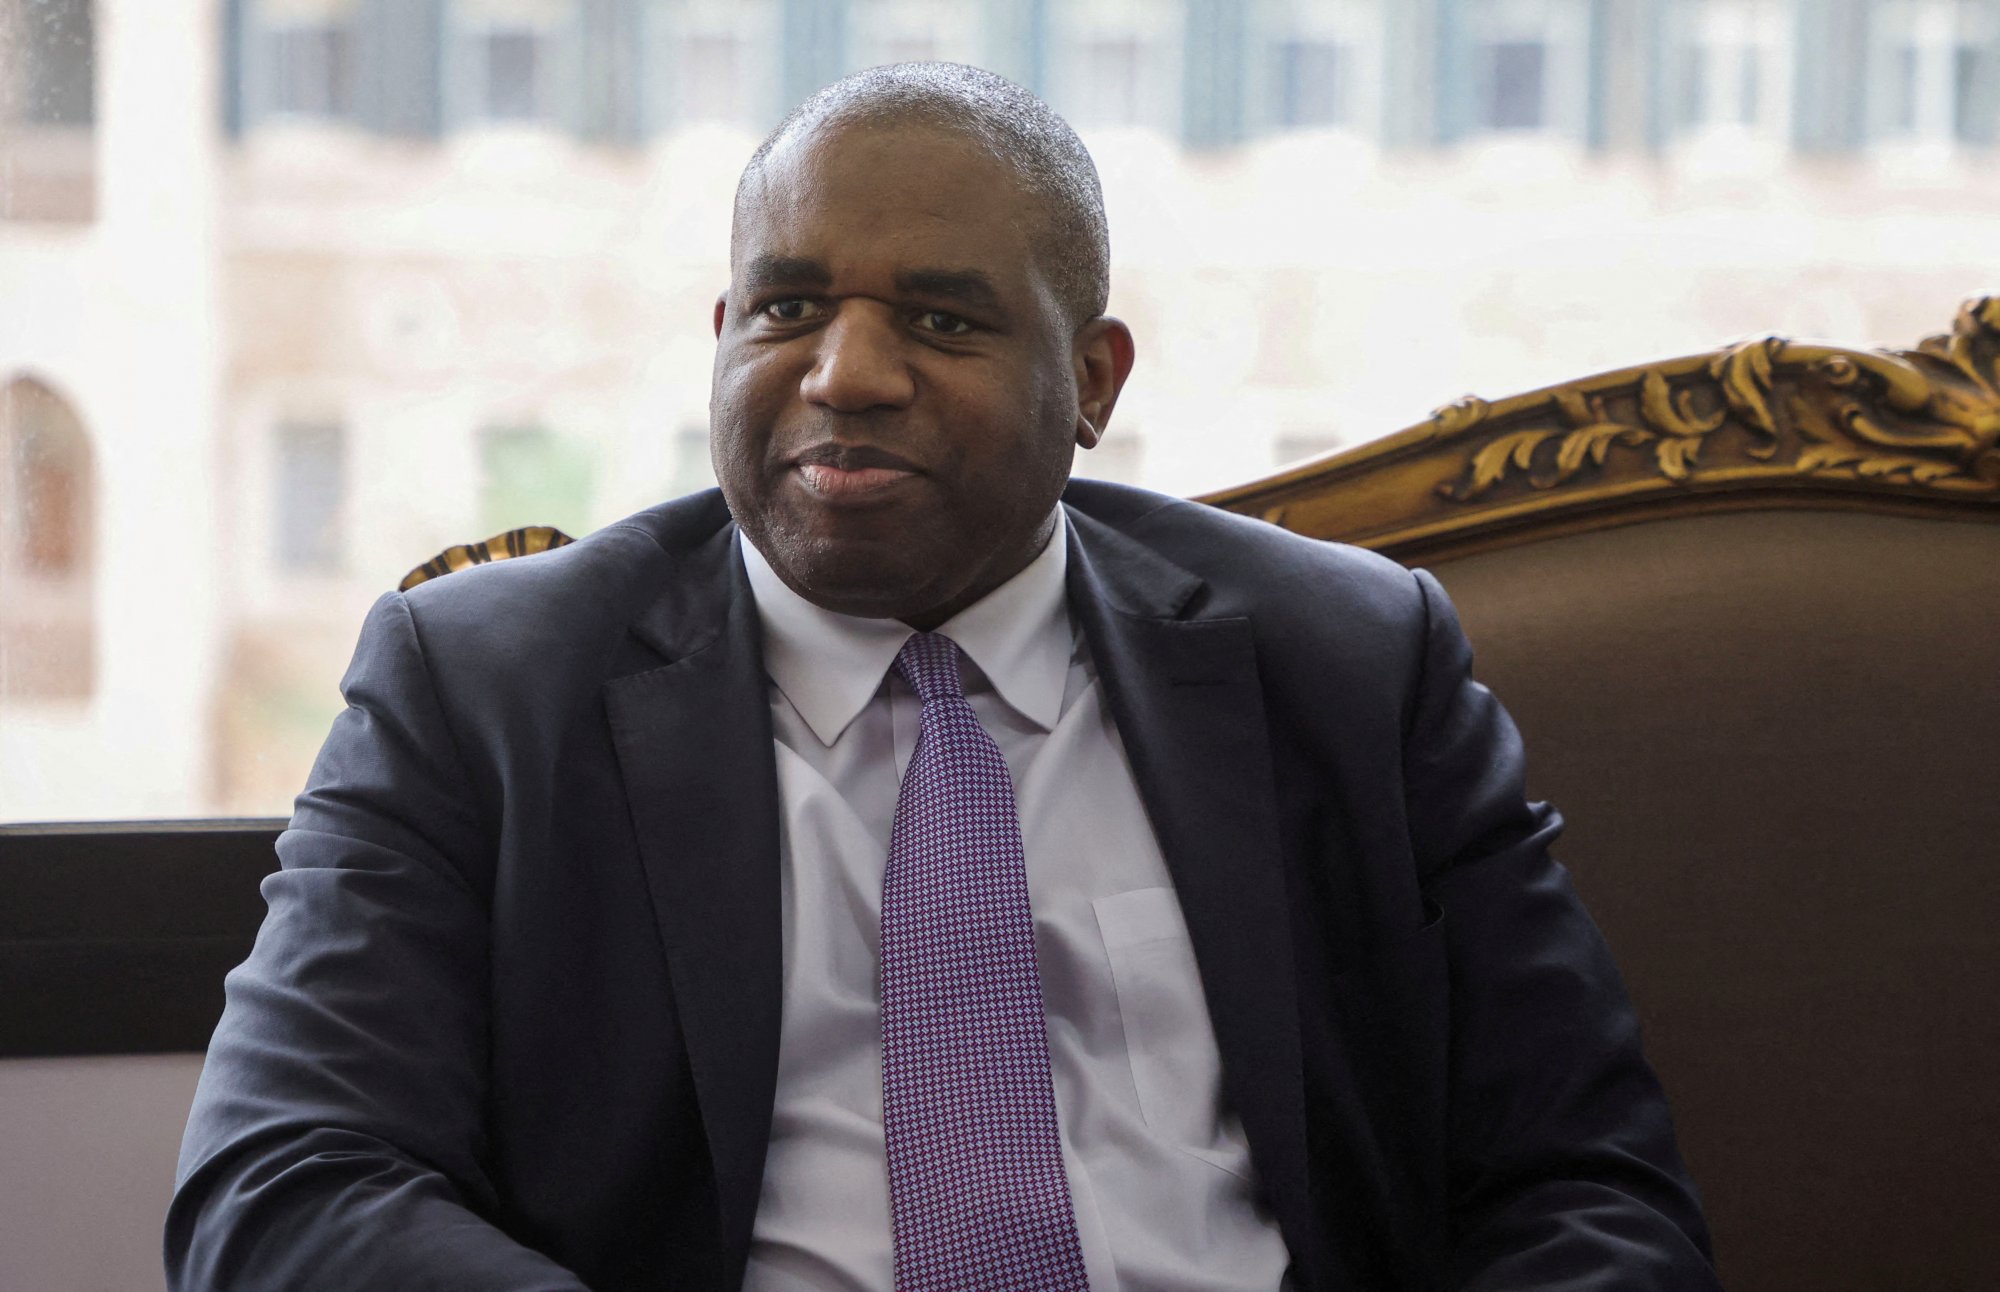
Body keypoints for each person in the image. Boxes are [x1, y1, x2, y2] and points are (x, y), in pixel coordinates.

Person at [168, 63, 1718, 1291]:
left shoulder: (1351, 664)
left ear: (1091, 382)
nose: (844, 372)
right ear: (722, 337)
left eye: (940, 316)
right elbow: (285, 1185)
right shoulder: (483, 685)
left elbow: (1588, 1186)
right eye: (787, 308)